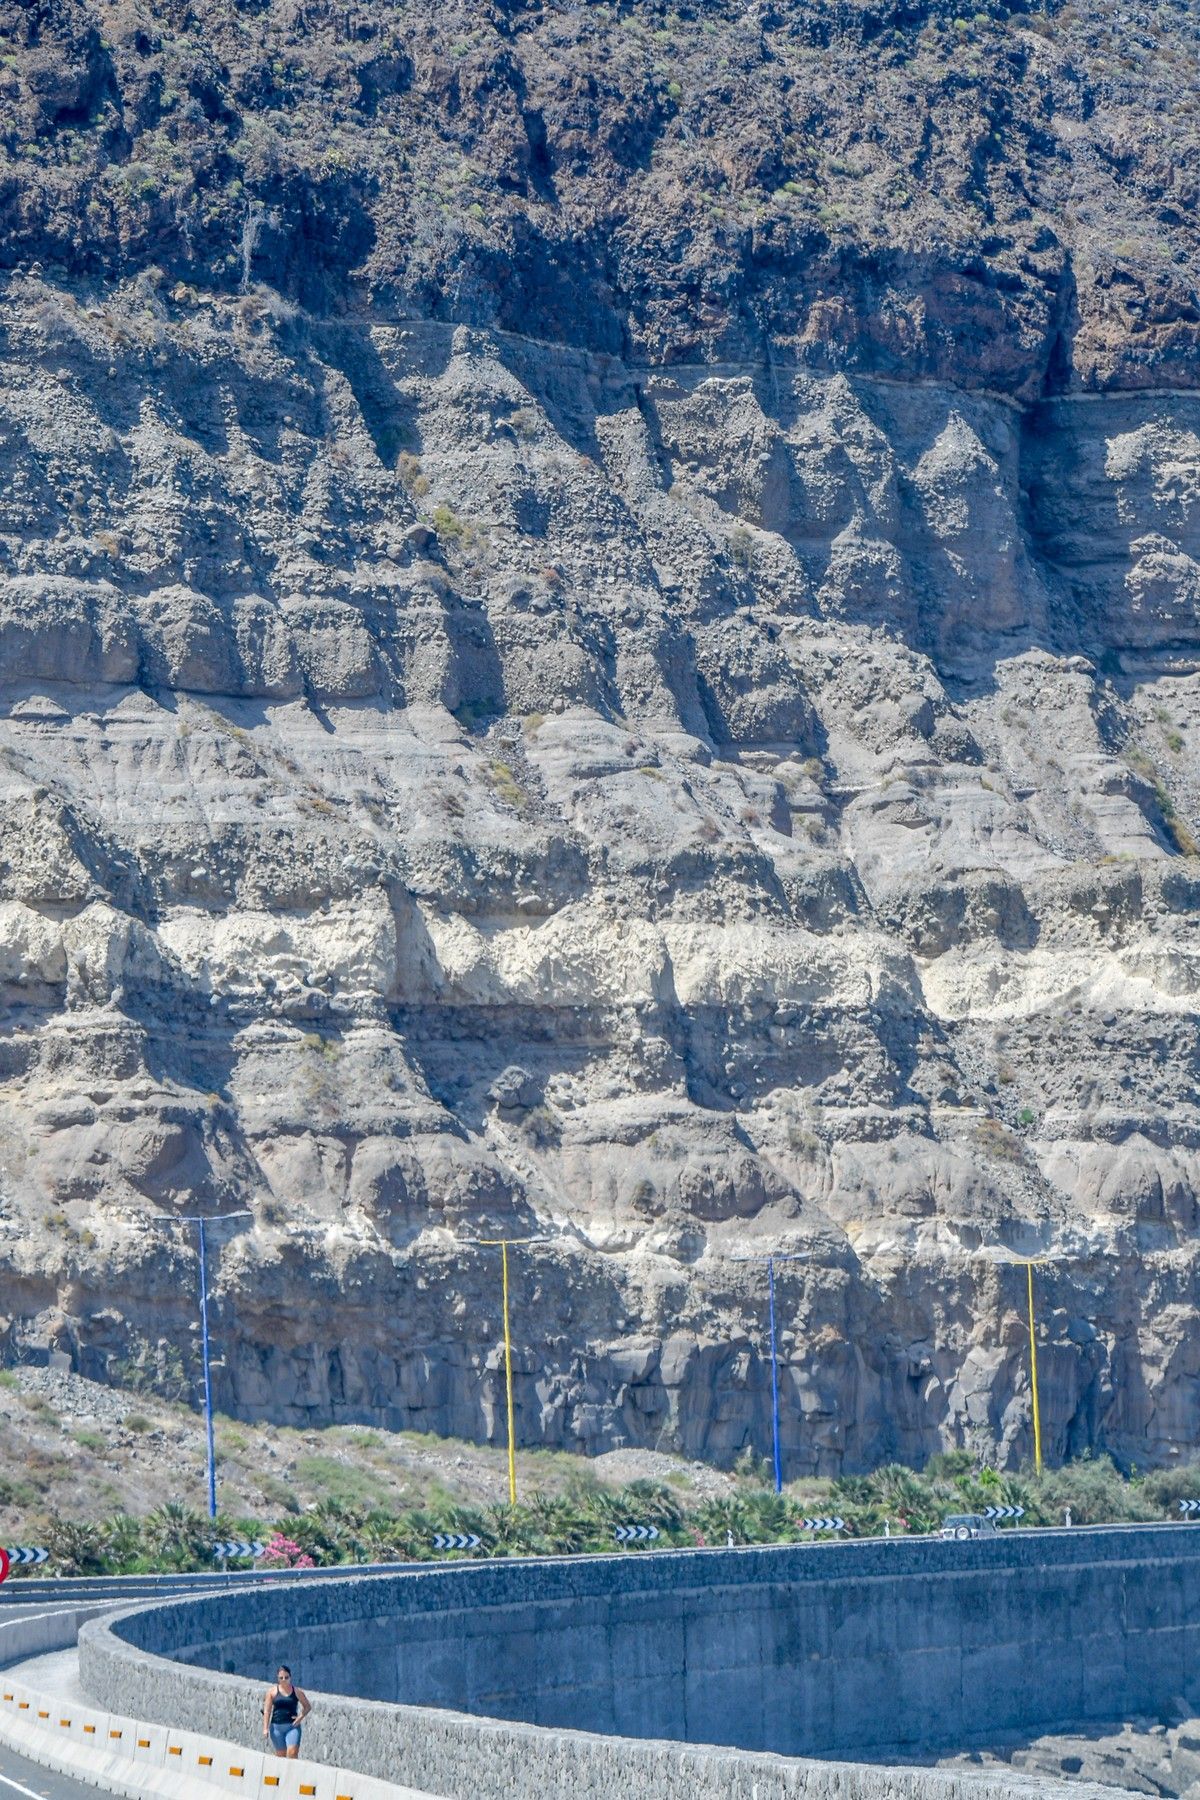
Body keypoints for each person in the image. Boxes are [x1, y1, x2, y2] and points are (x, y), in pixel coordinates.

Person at [262, 1665, 311, 1759]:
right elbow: (267, 1710)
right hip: (276, 1728)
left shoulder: (297, 1692)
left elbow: (307, 1707)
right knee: (281, 1756)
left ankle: (294, 1773)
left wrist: (300, 1718)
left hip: (292, 1727)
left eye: (286, 1677)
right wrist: (265, 1728)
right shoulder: (272, 1692)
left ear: (290, 1677)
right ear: (278, 1678)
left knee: (292, 1753)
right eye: (281, 1678)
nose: (284, 1680)